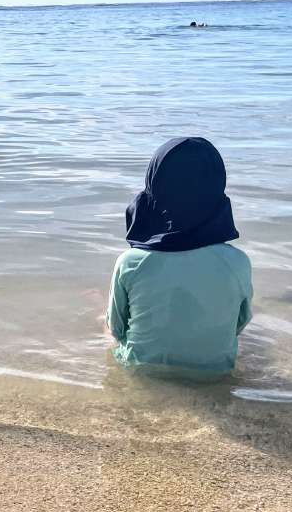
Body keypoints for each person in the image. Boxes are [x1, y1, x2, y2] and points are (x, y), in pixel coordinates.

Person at [106, 137, 253, 377]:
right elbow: (239, 325)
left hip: (142, 371)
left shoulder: (130, 262)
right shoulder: (238, 262)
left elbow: (117, 329)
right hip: (214, 373)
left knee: (103, 324)